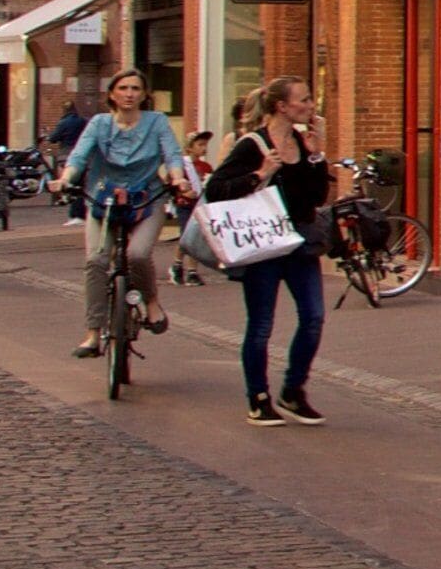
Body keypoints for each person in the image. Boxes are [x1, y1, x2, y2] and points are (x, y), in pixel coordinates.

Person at [204, 78, 335, 427]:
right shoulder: (252, 145)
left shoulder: (303, 143)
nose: (311, 106)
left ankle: (293, 390)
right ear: (282, 106)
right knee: (261, 325)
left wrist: (317, 153)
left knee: (313, 317)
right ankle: (258, 397)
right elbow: (216, 190)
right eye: (304, 100)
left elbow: (319, 196)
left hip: (299, 243)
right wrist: (260, 174)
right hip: (262, 245)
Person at [63, 71, 191, 361]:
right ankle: (93, 333)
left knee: (137, 254)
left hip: (146, 199)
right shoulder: (99, 124)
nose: (129, 93)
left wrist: (177, 178)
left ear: (144, 94)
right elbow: (79, 157)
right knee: (96, 260)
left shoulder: (156, 122)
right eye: (123, 88)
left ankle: (152, 302)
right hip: (102, 200)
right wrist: (65, 178)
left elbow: (171, 155)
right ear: (112, 94)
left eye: (136, 88)